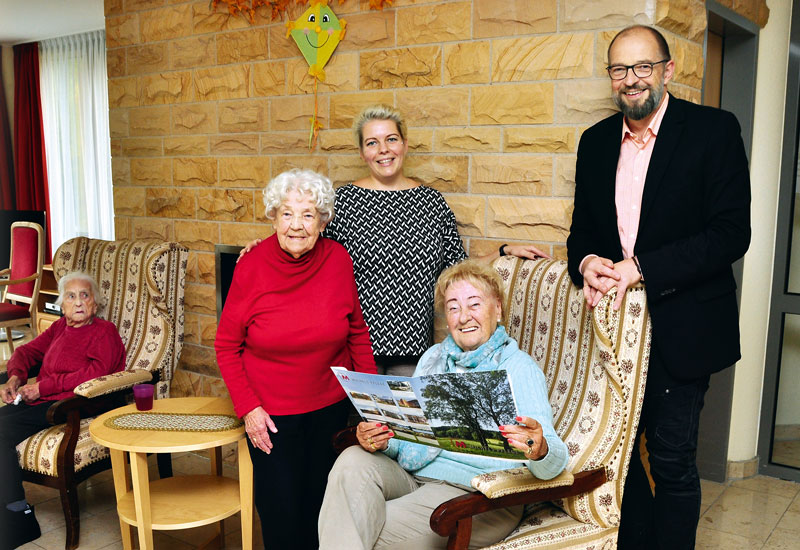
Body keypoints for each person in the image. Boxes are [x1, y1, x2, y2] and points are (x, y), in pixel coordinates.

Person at [566, 25, 751, 550]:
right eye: (620, 69)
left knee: (670, 460)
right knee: (615, 454)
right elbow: (581, 230)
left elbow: (731, 234)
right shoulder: (594, 141)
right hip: (613, 331)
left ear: (667, 70)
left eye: (643, 67)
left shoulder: (714, 131)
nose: (631, 80)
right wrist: (589, 261)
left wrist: (639, 266)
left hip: (684, 328)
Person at [242, 105, 549, 376]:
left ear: (404, 144)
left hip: (414, 352)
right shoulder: (345, 201)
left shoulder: (431, 203)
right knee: (360, 435)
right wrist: (265, 248)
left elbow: (456, 267)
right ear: (362, 153)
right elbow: (307, 246)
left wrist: (502, 251)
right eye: (372, 143)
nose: (383, 149)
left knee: (405, 435)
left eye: (391, 139)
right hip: (354, 350)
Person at [318, 259, 568, 550]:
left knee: (357, 525)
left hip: (475, 497)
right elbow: (411, 436)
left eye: (474, 304)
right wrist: (383, 439)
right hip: (417, 476)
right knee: (351, 461)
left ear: (497, 309)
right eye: (453, 307)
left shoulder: (519, 369)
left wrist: (540, 449)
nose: (464, 317)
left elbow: (555, 463)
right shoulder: (434, 358)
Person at [214, 169, 378, 550]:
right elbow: (226, 346)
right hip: (271, 417)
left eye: (308, 214)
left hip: (330, 410)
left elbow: (356, 332)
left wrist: (372, 402)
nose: (297, 225)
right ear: (273, 216)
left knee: (323, 510)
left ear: (323, 220)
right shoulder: (251, 266)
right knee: (282, 514)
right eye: (287, 213)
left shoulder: (338, 259)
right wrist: (249, 408)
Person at [0, 272, 126, 550]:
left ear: (95, 303)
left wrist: (43, 387)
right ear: (62, 304)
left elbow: (97, 373)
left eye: (85, 295)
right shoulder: (60, 328)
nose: (79, 302)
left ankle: (19, 517)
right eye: (71, 296)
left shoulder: (104, 331)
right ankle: (8, 509)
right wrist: (15, 378)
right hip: (44, 401)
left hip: (74, 405)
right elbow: (27, 352)